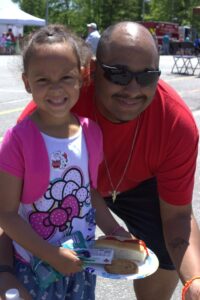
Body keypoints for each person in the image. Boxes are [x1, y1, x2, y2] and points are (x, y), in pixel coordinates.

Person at [0, 21, 200, 300]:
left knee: (163, 254)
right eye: (118, 74)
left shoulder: (172, 123)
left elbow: (178, 217)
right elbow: (8, 211)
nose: (132, 88)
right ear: (92, 72)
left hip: (129, 187)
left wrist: (194, 283)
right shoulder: (36, 127)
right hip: (42, 249)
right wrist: (5, 273)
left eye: (147, 76)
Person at [0, 24, 132, 300]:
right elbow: (6, 214)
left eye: (66, 77)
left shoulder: (91, 133)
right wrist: (52, 255)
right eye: (43, 80)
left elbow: (89, 194)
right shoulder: (18, 141)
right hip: (36, 266)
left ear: (82, 77)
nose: (56, 89)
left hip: (81, 263)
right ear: (27, 83)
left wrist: (116, 231)